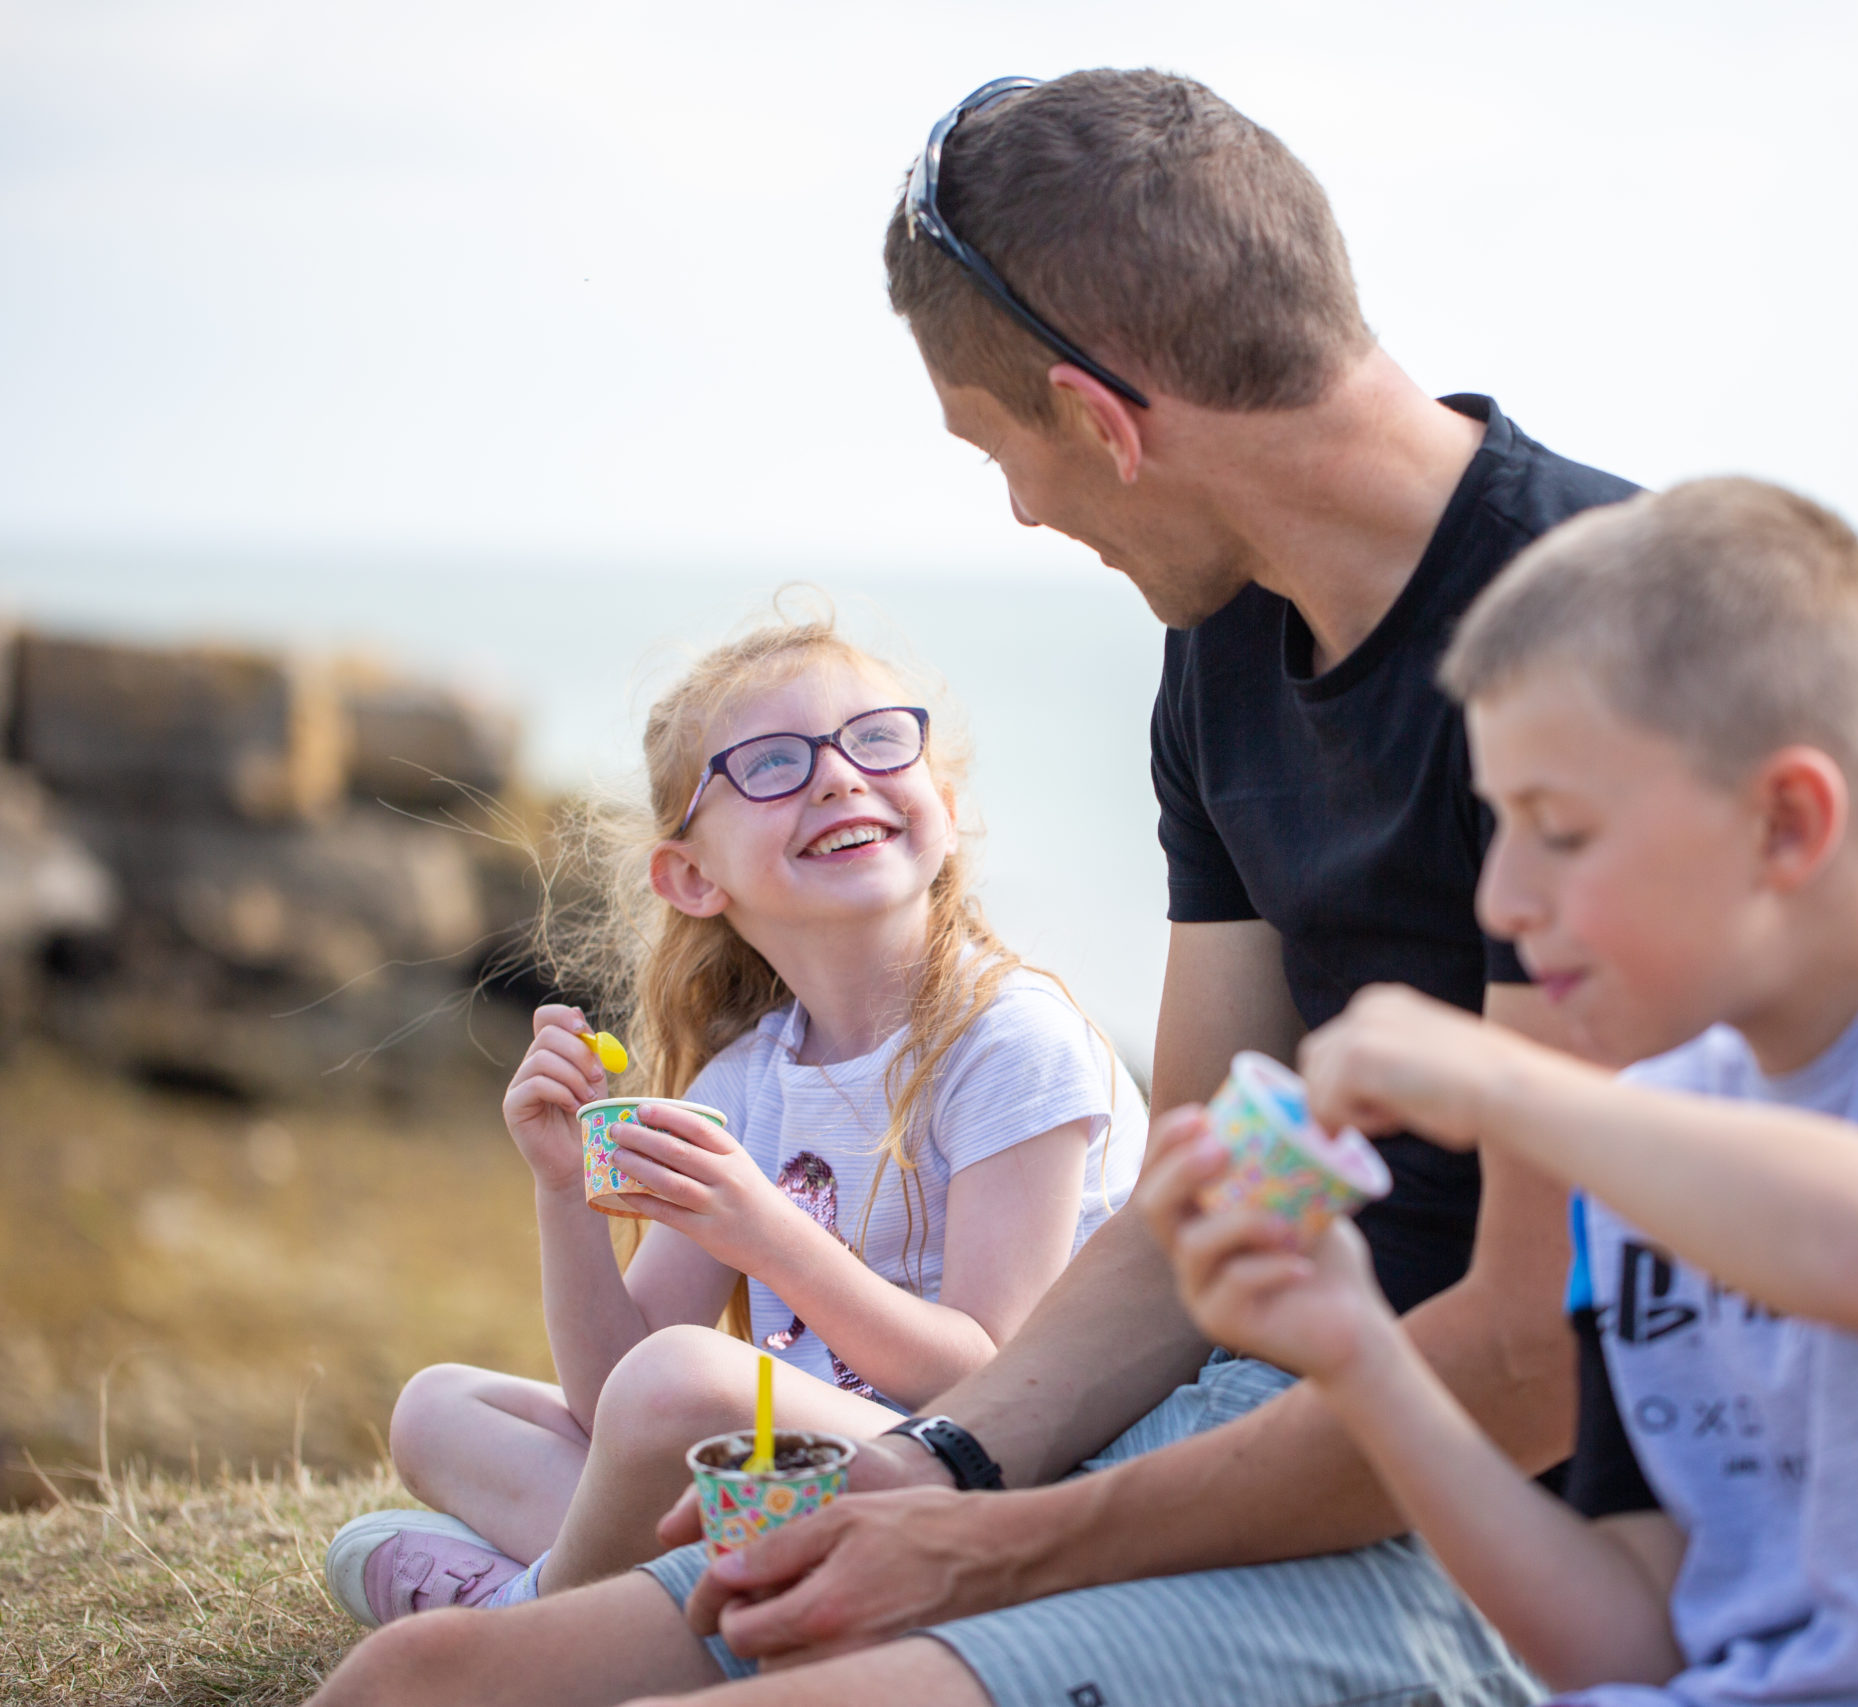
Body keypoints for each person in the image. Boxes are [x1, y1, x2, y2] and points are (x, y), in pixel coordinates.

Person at [307, 66, 1639, 1707]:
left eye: (1001, 450)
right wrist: (936, 1473)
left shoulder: (1610, 641)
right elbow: (1197, 1201)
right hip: (1217, 1425)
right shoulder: (1225, 644)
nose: (1024, 509)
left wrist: (1011, 1545)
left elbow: (1528, 1367)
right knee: (419, 1680)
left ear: (1100, 417)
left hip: (1489, 1526)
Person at [1150, 476, 1858, 1705]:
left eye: (1561, 830)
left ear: (1788, 823)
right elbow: (1633, 1640)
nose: (1500, 901)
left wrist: (1505, 1084)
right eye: (1498, 826)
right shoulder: (1653, 1135)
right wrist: (1362, 1357)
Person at [322, 612, 1141, 1627]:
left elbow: (992, 1383)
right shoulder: (748, 1080)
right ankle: (655, 1588)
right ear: (691, 877)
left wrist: (769, 1235)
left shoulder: (1012, 1043)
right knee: (442, 1409)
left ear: (946, 800)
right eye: (771, 765)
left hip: (982, 1486)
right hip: (793, 1483)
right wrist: (567, 1192)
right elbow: (614, 1397)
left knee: (690, 1381)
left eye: (878, 739)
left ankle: (535, 1620)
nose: (839, 776)